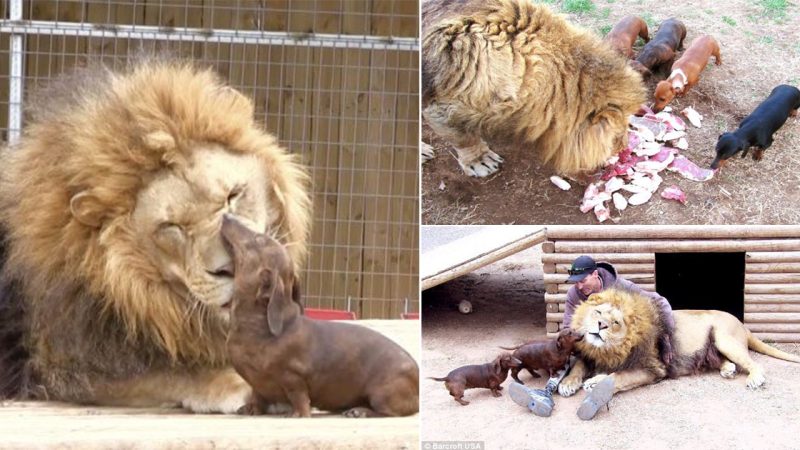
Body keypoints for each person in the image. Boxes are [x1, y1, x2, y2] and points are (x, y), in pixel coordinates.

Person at [509, 255, 675, 419]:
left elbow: (660, 302)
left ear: (595, 274)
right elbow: (568, 327)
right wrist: (566, 346)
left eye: (583, 281)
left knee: (629, 358)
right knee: (562, 357)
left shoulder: (622, 286)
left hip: (615, 340)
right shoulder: (574, 294)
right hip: (587, 341)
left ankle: (596, 395)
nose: (579, 286)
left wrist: (666, 337)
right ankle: (544, 394)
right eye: (576, 282)